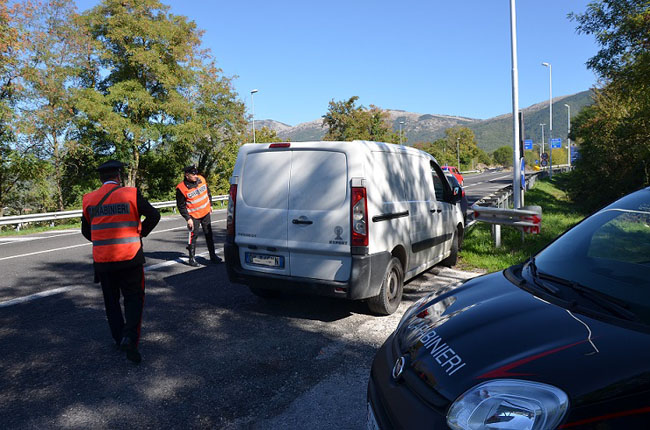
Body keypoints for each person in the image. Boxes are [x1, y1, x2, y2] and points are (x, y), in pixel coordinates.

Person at [81, 160, 160, 364]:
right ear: (118, 176)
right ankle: (130, 339)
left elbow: (86, 231)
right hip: (130, 256)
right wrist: (140, 233)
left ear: (101, 178)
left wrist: (102, 240)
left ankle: (118, 339)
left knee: (111, 301)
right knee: (134, 299)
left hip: (103, 261)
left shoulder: (89, 199)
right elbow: (154, 215)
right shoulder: (130, 194)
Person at [176, 165, 222, 266]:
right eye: (193, 174)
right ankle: (191, 259)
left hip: (205, 212)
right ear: (187, 175)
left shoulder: (201, 179)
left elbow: (208, 192)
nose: (196, 176)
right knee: (193, 237)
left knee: (209, 234)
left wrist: (211, 204)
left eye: (196, 173)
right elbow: (181, 206)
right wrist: (188, 219)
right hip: (193, 216)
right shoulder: (181, 188)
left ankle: (213, 256)